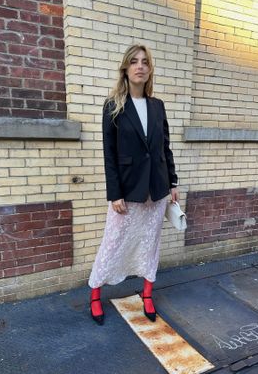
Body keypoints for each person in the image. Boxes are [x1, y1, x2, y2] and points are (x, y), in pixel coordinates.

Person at [88, 44, 179, 325]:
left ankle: (147, 294)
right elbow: (110, 154)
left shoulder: (157, 105)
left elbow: (164, 147)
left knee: (150, 244)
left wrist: (172, 181)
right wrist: (114, 192)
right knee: (112, 243)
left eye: (144, 62)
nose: (140, 66)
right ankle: (94, 294)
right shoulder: (113, 105)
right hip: (127, 191)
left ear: (149, 70)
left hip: (157, 188)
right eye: (134, 62)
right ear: (126, 69)